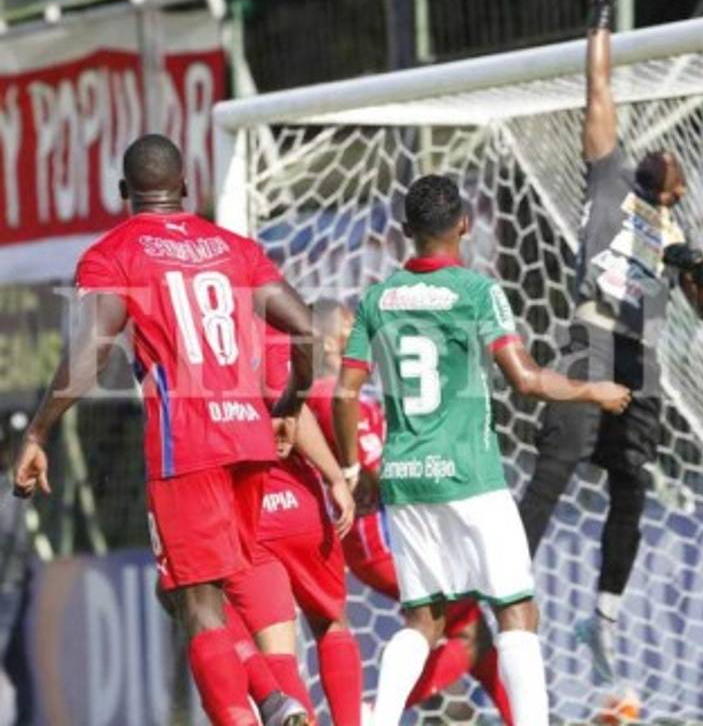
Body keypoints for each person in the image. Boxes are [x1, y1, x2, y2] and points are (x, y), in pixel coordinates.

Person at [10, 134, 316, 726]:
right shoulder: (235, 248)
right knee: (190, 591)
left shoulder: (115, 253)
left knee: (197, 603)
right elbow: (305, 330)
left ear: (125, 194)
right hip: (251, 441)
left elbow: (91, 352)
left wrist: (40, 432)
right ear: (185, 186)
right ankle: (274, 699)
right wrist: (289, 404)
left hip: (189, 447)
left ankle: (249, 714)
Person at [333, 175, 631, 726]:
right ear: (464, 226)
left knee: (423, 619)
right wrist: (592, 389)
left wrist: (352, 467)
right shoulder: (477, 292)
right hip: (471, 475)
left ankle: (376, 720)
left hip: (405, 475)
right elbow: (525, 378)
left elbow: (345, 391)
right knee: (516, 608)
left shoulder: (375, 300)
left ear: (407, 232)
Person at [517, 0, 703, 683]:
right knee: (556, 464)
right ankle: (503, 587)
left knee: (631, 486)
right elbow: (598, 91)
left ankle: (602, 615)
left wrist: (699, 273)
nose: (666, 166)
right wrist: (598, 14)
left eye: (673, 172)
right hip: (590, 339)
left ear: (678, 188)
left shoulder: (677, 227)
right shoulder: (609, 177)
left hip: (643, 363)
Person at [306, 300, 513, 723]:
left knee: (472, 631)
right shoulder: (331, 398)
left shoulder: (336, 396)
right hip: (380, 540)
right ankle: (375, 714)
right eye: (349, 326)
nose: (359, 334)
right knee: (470, 631)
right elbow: (379, 473)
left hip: (383, 537)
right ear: (329, 343)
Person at [221, 329, 360, 725]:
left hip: (240, 514)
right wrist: (335, 476)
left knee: (276, 653)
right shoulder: (265, 327)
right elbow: (291, 412)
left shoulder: (188, 336)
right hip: (297, 503)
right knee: (330, 621)